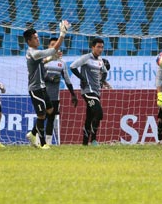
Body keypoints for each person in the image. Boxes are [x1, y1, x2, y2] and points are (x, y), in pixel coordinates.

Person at [23, 20, 70, 149]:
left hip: (42, 87)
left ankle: (32, 133)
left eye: (37, 37)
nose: (38, 40)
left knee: (50, 110)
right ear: (29, 41)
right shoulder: (33, 53)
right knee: (42, 114)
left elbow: (42, 61)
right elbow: (54, 49)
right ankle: (43, 143)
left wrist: (51, 59)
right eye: (35, 38)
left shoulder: (35, 53)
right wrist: (62, 33)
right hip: (35, 88)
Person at [70, 37, 107, 146]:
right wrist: (82, 78)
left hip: (96, 91)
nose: (100, 49)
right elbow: (72, 67)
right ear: (93, 47)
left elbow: (104, 71)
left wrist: (102, 80)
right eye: (98, 47)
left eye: (102, 47)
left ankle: (85, 143)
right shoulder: (86, 58)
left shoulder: (100, 60)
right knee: (99, 113)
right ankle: (94, 139)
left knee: (90, 117)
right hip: (87, 91)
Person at [43, 37, 78, 145]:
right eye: (52, 44)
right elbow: (38, 76)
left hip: (54, 96)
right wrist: (50, 78)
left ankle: (47, 143)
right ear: (48, 47)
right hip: (43, 94)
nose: (55, 46)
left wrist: (73, 94)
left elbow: (67, 79)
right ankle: (36, 138)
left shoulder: (62, 63)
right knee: (42, 117)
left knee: (51, 118)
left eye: (56, 44)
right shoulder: (43, 61)